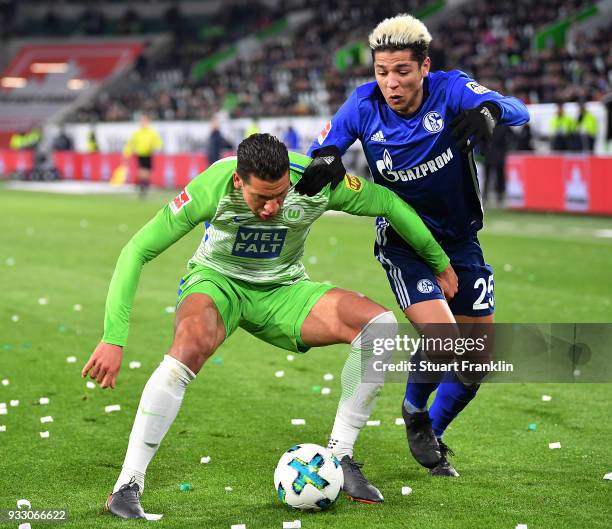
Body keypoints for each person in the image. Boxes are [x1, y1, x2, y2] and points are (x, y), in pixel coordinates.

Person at [81, 133, 458, 517]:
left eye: (279, 195)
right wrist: (114, 338)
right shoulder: (213, 184)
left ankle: (341, 455)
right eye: (261, 198)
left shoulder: (313, 181)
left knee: (378, 325)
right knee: (188, 348)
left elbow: (387, 202)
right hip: (218, 283)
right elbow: (137, 250)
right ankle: (127, 485)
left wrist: (439, 261)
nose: (272, 207)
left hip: (283, 290)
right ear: (238, 181)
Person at [297, 13, 530, 477]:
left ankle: (427, 427)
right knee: (445, 343)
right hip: (404, 244)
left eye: (402, 71)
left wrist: (489, 112)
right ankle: (416, 407)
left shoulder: (451, 89)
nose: (391, 83)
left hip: (461, 241)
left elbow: (517, 108)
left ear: (424, 67)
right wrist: (325, 159)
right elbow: (327, 146)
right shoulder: (363, 105)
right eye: (382, 72)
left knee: (473, 364)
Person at [123, 114, 163, 198]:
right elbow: (131, 143)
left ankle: (143, 186)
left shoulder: (151, 133)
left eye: (145, 121)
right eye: (142, 121)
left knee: (147, 173)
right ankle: (142, 187)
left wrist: (156, 147)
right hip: (141, 154)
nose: (143, 123)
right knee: (142, 171)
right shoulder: (138, 133)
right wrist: (127, 152)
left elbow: (158, 142)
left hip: (149, 154)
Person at [483, 124, 516, 206]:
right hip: (498, 155)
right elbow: (513, 138)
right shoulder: (504, 125)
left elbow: (481, 139)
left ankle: (486, 197)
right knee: (499, 176)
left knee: (489, 177)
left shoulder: (486, 123)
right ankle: (499, 196)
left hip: (490, 155)